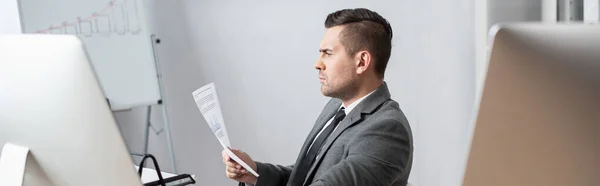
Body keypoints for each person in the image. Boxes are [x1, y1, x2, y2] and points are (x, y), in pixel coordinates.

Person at [222, 8, 413, 186]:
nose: (317, 64)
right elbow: (307, 176)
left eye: (328, 54)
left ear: (362, 61)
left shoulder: (388, 129)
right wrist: (255, 173)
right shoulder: (335, 109)